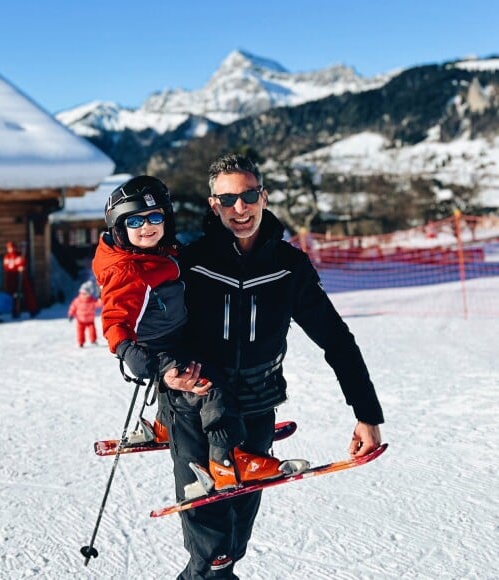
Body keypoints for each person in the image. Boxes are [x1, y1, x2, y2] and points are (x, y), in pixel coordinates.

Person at [161, 153, 385, 579]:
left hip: (257, 407)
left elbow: (336, 339)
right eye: (228, 200)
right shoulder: (190, 264)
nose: (239, 209)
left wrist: (366, 414)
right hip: (194, 408)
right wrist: (168, 370)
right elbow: (157, 335)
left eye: (248, 196)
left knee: (235, 538)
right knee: (212, 550)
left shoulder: (288, 266)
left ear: (263, 196)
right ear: (214, 205)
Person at [92, 176, 293, 489]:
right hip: (158, 349)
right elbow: (115, 317)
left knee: (207, 358)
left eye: (155, 217)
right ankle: (225, 461)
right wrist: (127, 350)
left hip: (176, 337)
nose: (147, 227)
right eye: (135, 221)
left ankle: (162, 425)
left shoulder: (157, 253)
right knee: (210, 383)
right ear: (119, 229)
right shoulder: (127, 270)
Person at [3, 241, 39, 318]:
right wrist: (16, 267)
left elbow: (22, 262)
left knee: (28, 292)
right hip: (12, 278)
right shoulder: (7, 257)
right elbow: (7, 267)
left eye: (13, 247)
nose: (12, 249)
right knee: (13, 296)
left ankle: (33, 310)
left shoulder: (19, 255)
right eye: (10, 248)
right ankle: (15, 311)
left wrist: (22, 267)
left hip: (21, 277)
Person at [68, 281, 101, 347]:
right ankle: (82, 342)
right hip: (83, 320)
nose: (85, 295)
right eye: (84, 293)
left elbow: (98, 304)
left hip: (87, 320)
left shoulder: (90, 300)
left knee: (89, 331)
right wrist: (71, 314)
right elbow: (73, 307)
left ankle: (90, 341)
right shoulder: (80, 300)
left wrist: (100, 298)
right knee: (82, 332)